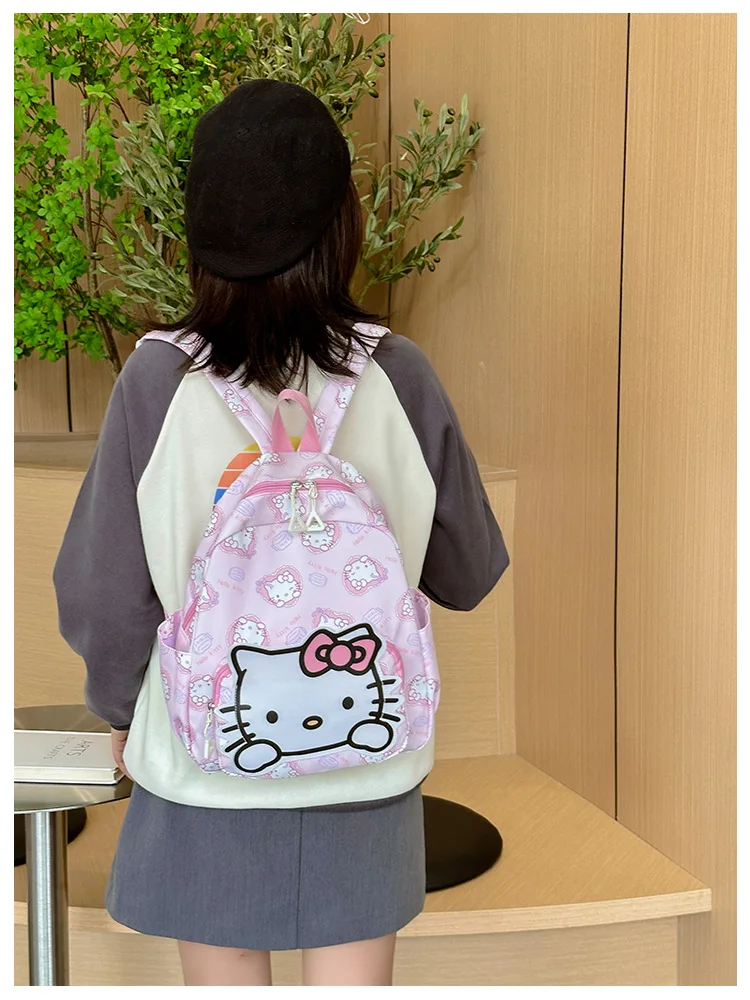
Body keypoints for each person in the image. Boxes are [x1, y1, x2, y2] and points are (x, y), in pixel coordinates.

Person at [53, 79, 509, 987]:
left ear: (198, 233)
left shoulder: (157, 384)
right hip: (368, 760)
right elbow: (467, 569)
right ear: (344, 223)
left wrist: (118, 711)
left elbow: (103, 592)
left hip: (205, 760)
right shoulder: (399, 373)